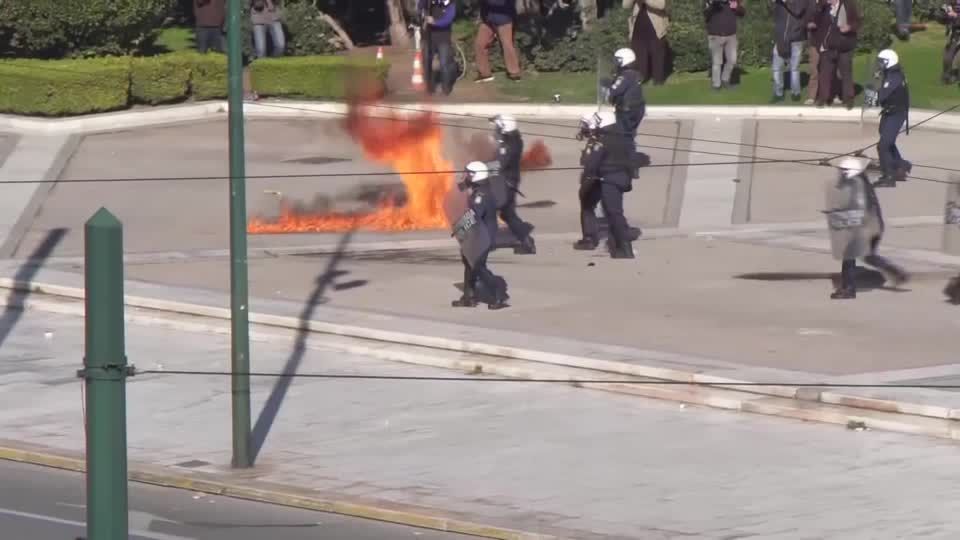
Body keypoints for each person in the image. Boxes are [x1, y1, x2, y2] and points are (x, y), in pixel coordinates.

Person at [824, 157, 908, 299]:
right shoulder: (863, 185)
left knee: (849, 255)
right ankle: (895, 272)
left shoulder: (855, 188)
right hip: (876, 226)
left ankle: (848, 289)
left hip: (867, 227)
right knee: (869, 256)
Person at [451, 162, 510, 309]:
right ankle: (468, 297)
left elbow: (473, 215)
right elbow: (463, 186)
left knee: (478, 267)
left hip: (483, 237)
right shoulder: (482, 187)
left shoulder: (480, 196)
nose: (466, 176)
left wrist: (459, 228)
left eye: (469, 174)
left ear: (476, 176)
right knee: (469, 264)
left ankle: (499, 295)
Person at [581, 112, 637, 259]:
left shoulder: (602, 140)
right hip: (622, 178)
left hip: (609, 179)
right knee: (613, 211)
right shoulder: (624, 137)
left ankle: (625, 248)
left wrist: (587, 178)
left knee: (614, 213)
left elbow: (592, 163)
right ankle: (620, 244)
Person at [490, 114, 536, 254]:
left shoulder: (507, 145)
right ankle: (527, 242)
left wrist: (482, 168)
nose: (495, 129)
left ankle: (486, 242)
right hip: (509, 182)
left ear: (504, 127)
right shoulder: (514, 140)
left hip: (505, 184)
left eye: (498, 127)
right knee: (508, 214)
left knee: (488, 210)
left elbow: (499, 164)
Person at [866, 49, 911, 188]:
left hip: (896, 113)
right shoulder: (892, 73)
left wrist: (870, 95)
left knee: (883, 145)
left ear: (888, 62)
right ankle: (900, 165)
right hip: (890, 112)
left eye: (881, 62)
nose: (879, 65)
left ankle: (888, 176)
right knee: (886, 138)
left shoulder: (894, 77)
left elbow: (882, 97)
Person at [813, 0, 861, 109]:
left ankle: (848, 99)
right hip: (828, 46)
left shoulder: (848, 5)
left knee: (846, 74)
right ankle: (823, 98)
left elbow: (858, 21)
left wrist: (849, 27)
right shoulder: (824, 7)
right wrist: (820, 43)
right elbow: (818, 23)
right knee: (825, 73)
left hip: (844, 46)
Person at [604, 48, 646, 144]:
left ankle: (625, 151)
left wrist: (607, 89)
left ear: (626, 60)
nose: (616, 63)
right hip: (638, 108)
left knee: (623, 134)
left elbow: (614, 90)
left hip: (626, 111)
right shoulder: (636, 74)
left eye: (618, 60)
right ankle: (630, 148)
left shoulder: (625, 76)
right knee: (630, 133)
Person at [474, 0, 521, 83]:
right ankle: (485, 74)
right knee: (480, 44)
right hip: (488, 20)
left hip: (504, 20)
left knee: (507, 45)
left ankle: (514, 73)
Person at [770, 0, 808, 102]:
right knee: (776, 68)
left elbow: (798, 11)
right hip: (781, 38)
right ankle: (778, 93)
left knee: (794, 68)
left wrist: (786, 2)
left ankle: (795, 93)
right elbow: (773, 13)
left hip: (796, 38)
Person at [704, 0, 746, 90]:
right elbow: (706, 15)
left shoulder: (733, 1)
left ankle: (725, 80)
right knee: (717, 62)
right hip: (715, 35)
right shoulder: (712, 2)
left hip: (731, 36)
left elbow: (742, 13)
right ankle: (716, 85)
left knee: (732, 60)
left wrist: (736, 7)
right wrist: (713, 5)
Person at [418, 0, 457, 96]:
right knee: (426, 62)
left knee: (444, 64)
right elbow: (420, 6)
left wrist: (435, 22)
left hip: (443, 38)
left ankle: (446, 88)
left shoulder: (450, 4)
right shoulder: (430, 3)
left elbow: (448, 20)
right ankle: (429, 88)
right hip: (429, 37)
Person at [629, 0, 670, 85]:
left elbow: (661, 5)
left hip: (656, 28)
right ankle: (641, 78)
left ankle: (658, 80)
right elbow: (625, 5)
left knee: (657, 55)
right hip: (638, 28)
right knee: (639, 55)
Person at [941, 2, 960, 84]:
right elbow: (942, 19)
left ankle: (954, 75)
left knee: (956, 57)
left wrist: (955, 16)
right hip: (954, 35)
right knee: (947, 57)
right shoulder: (948, 6)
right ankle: (947, 74)